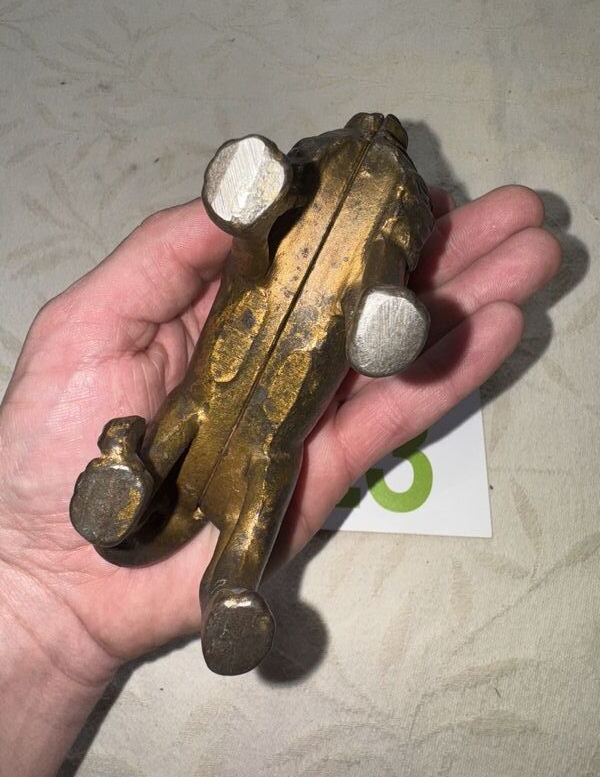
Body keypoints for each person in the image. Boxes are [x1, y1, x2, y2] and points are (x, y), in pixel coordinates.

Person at [0, 186, 560, 775]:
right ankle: (134, 484)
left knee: (259, 484)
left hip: (260, 434)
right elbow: (251, 251)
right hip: (213, 401)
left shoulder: (380, 239)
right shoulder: (326, 217)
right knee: (198, 423)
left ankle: (224, 589)